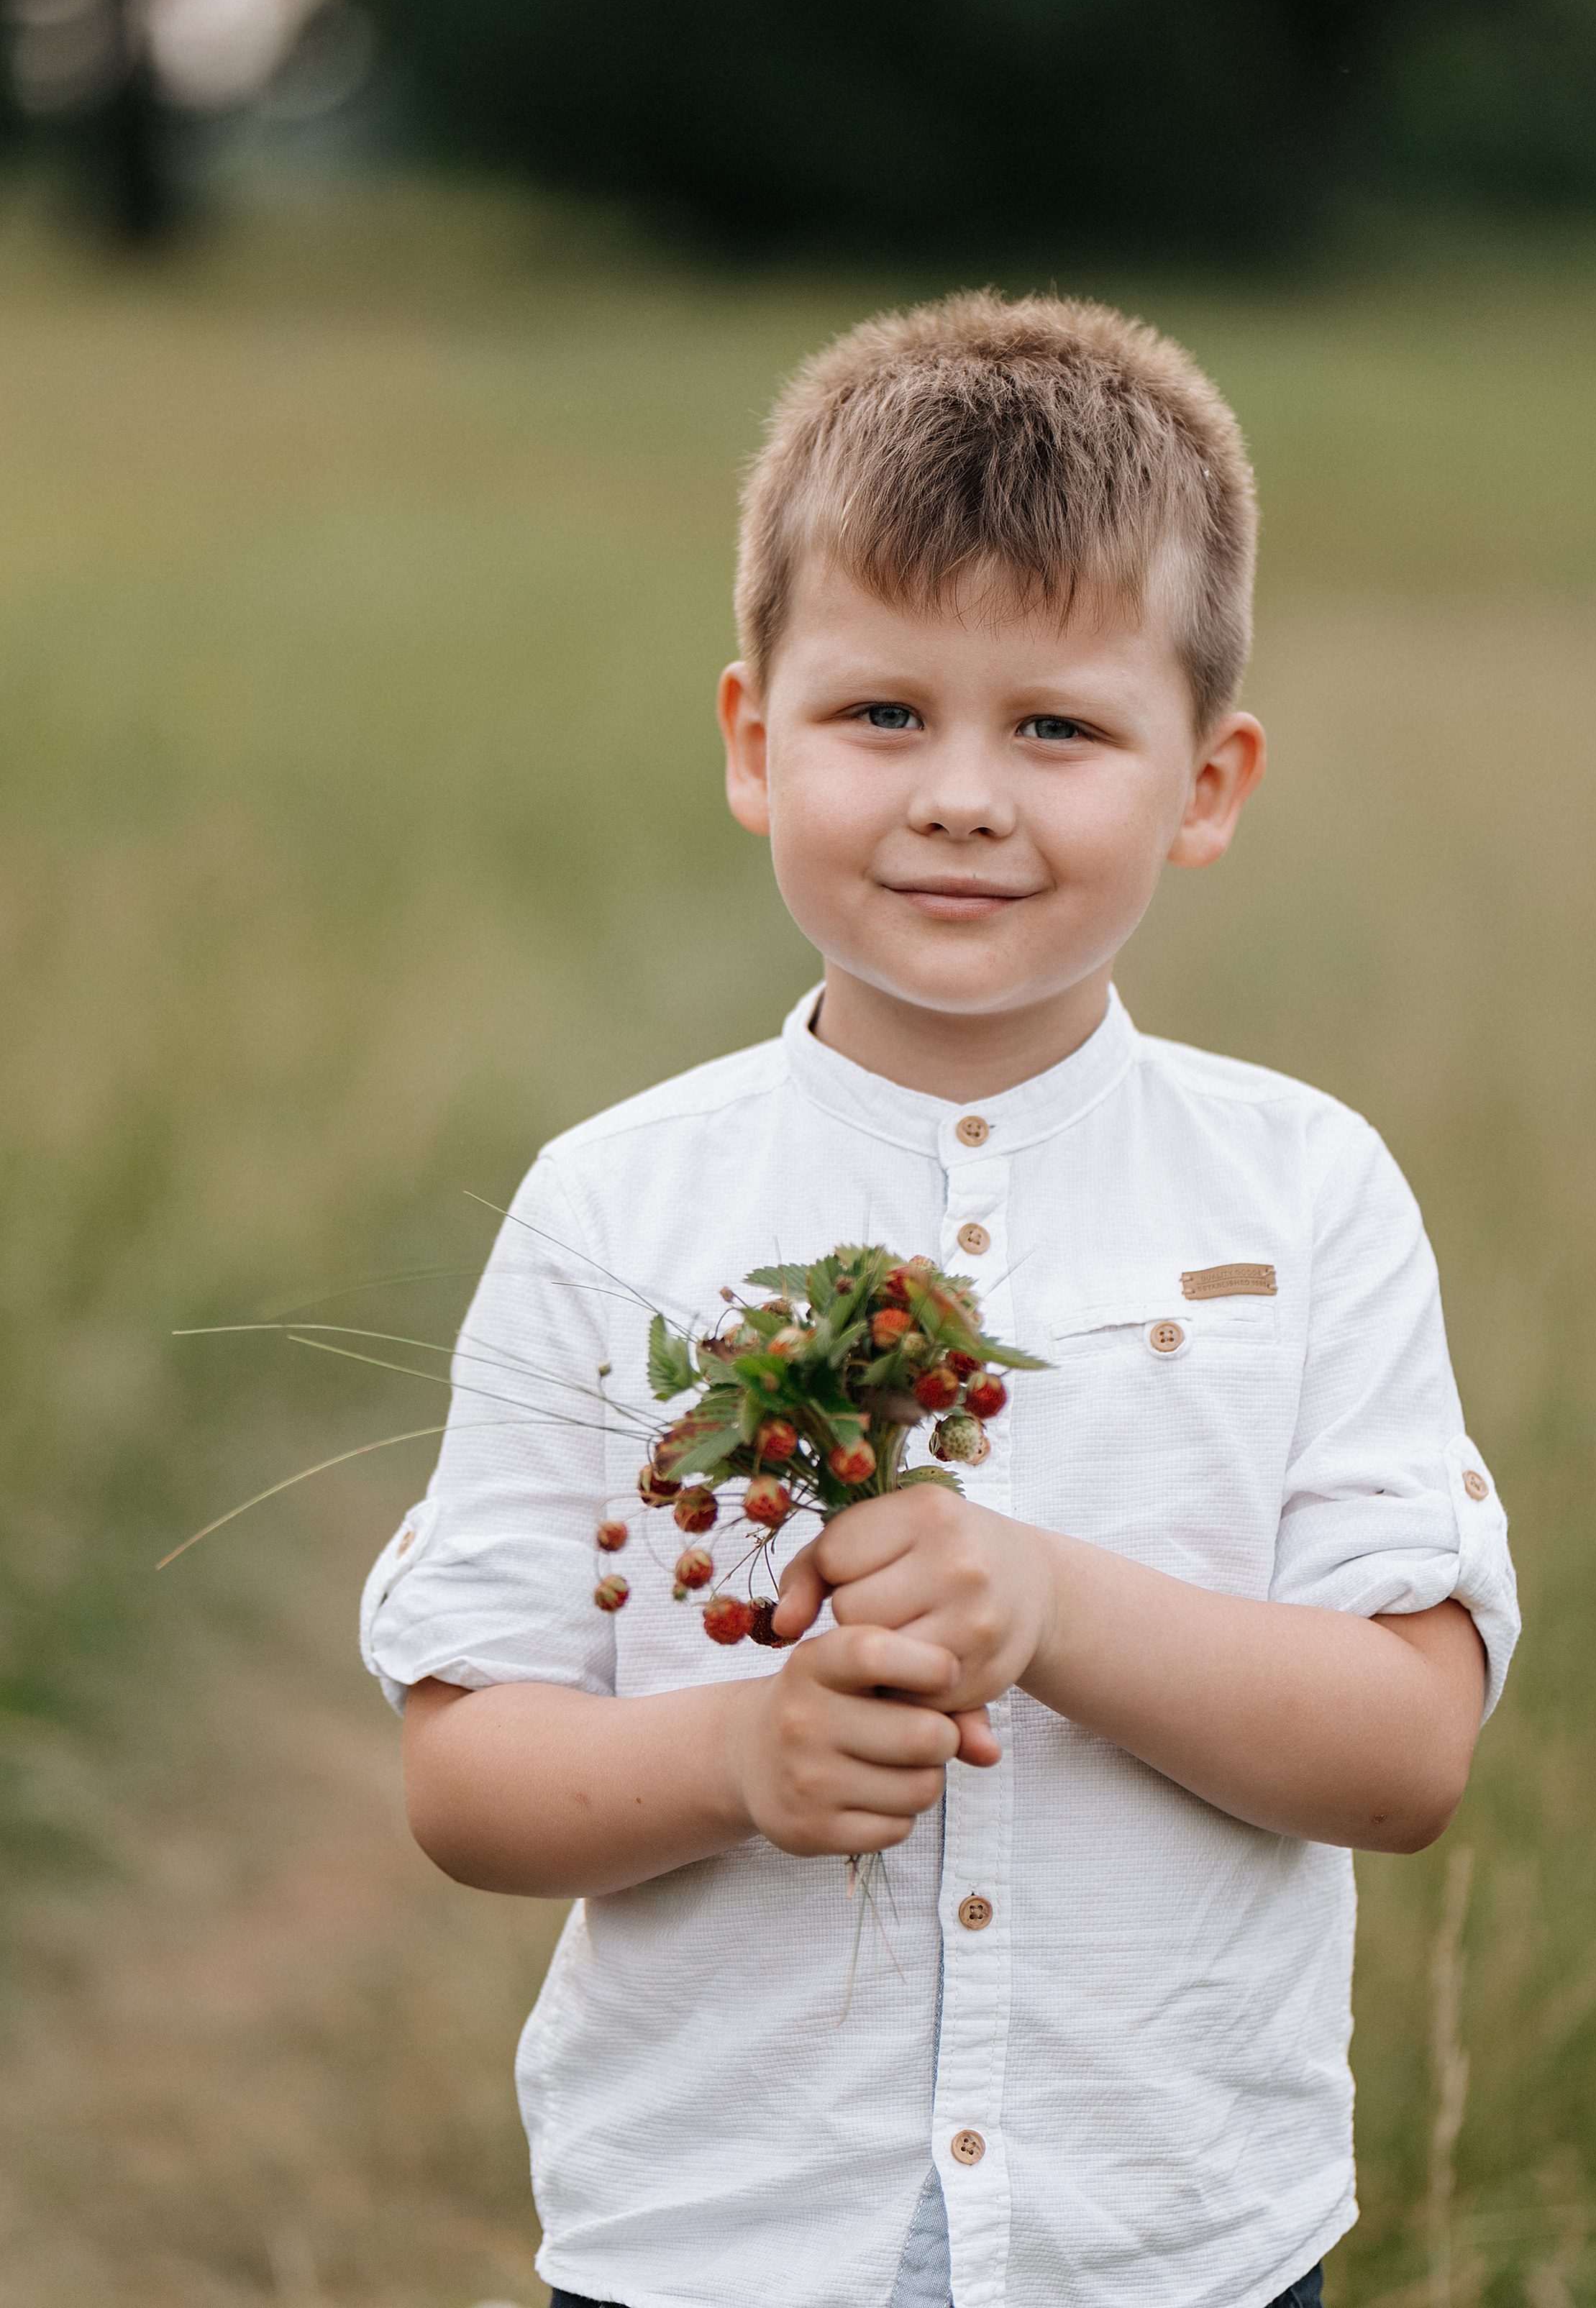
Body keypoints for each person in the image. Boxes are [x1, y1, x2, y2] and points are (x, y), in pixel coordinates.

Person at [361, 291, 1519, 2308]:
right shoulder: (616, 1205)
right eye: (883, 713)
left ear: (1210, 780)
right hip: (718, 2238)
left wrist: (1052, 1605)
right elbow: (468, 1768)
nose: (965, 794)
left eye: (1058, 727)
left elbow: (1407, 1754)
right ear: (753, 739)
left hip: (1168, 2242)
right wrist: (734, 1765)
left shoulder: (1304, 1189)